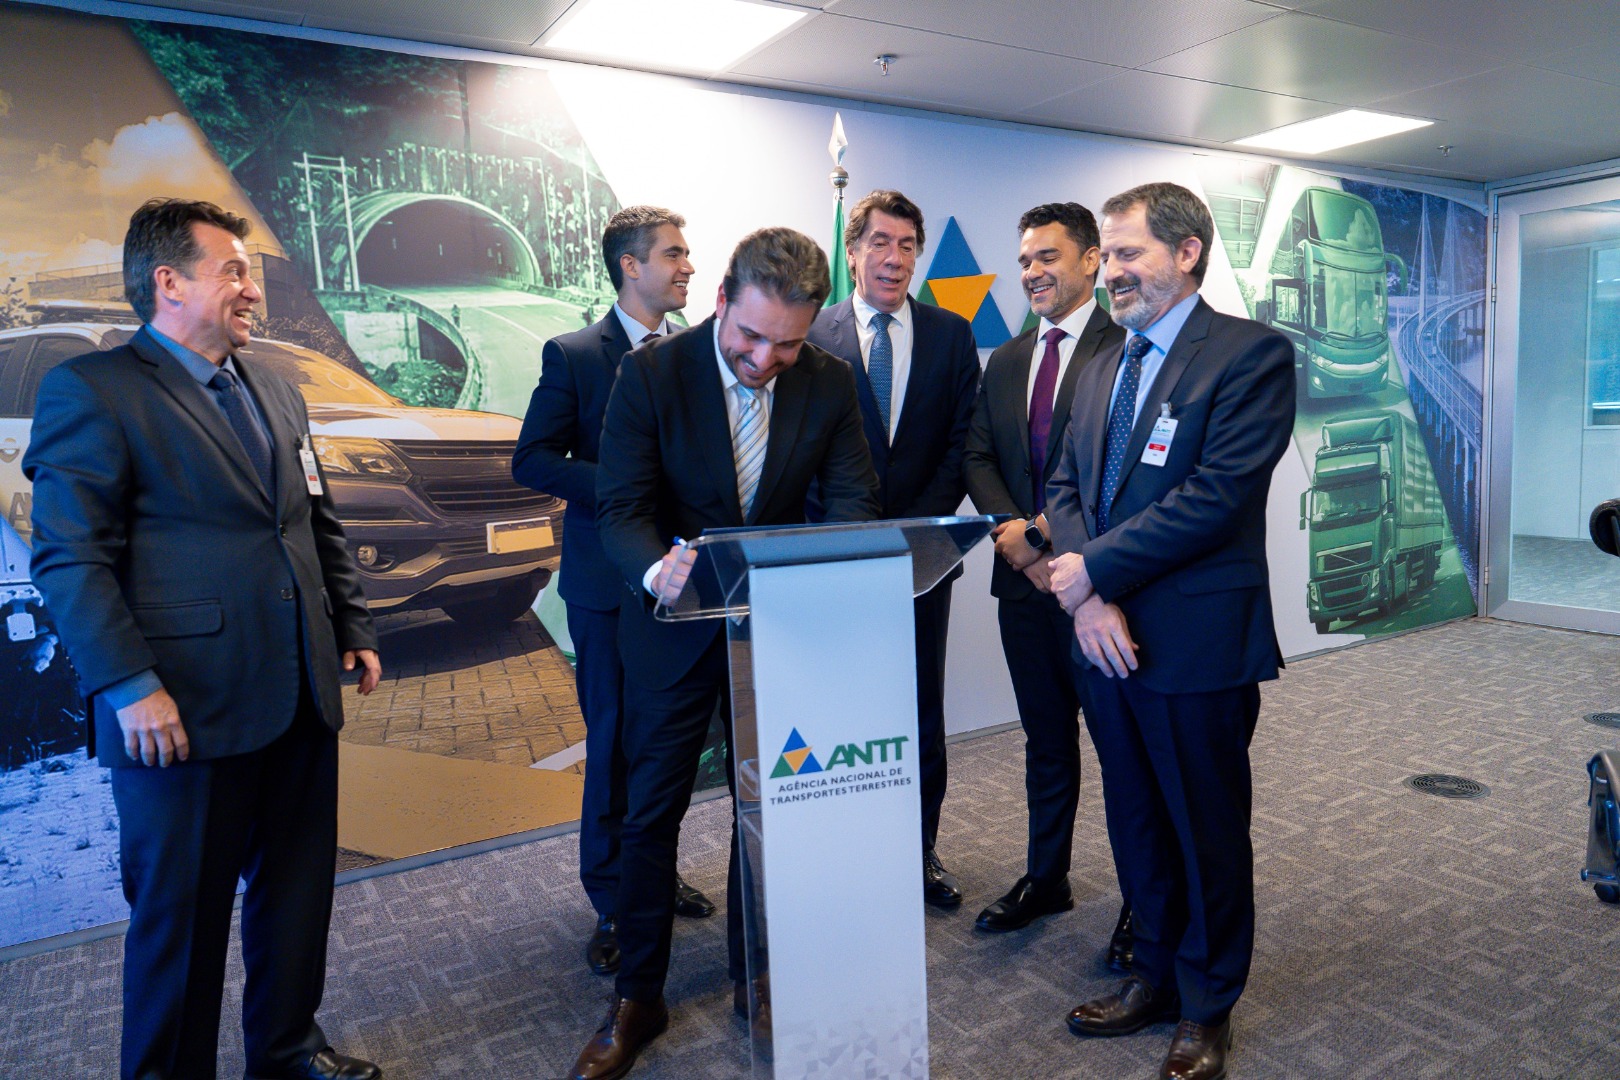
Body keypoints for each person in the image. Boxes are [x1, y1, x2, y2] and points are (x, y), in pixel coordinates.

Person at [23, 198, 383, 1080]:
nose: (252, 288)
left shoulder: (275, 388)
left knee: (296, 895)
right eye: (234, 270)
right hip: (178, 710)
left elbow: (313, 520)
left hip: (299, 691)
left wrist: (350, 622)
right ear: (169, 282)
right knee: (180, 923)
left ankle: (288, 1051)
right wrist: (127, 684)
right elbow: (69, 557)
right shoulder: (93, 390)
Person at [569, 227, 879, 1080]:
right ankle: (638, 997)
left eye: (788, 344)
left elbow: (852, 501)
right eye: (750, 336)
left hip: (773, 634)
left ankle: (759, 977)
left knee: (770, 811)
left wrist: (826, 573)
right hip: (670, 629)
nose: (765, 359)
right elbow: (621, 509)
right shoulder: (651, 374)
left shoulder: (828, 380)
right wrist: (654, 570)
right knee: (649, 816)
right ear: (719, 304)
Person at [1044, 182, 1294, 1080]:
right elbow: (1064, 486)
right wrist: (1088, 599)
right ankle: (1152, 972)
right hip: (1104, 641)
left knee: (1204, 827)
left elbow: (1215, 496)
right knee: (1137, 818)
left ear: (1187, 253)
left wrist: (1094, 572)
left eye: (1127, 252)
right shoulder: (1101, 364)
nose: (1109, 271)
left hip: (1195, 642)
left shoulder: (1250, 355)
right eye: (1106, 254)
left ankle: (1206, 1004)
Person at [513, 206, 716, 980]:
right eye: (674, 254)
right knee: (613, 746)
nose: (688, 266)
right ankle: (611, 901)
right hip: (606, 587)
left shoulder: (700, 353)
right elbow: (532, 459)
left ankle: (652, 876)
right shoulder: (574, 355)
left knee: (666, 745)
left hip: (683, 585)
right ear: (631, 266)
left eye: (688, 254)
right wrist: (628, 489)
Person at [962, 203, 1131, 951]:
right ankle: (1046, 876)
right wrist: (1019, 544)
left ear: (1092, 259)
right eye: (1025, 260)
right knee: (1046, 740)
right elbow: (977, 457)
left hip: (1100, 587)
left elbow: (1113, 469)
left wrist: (1042, 539)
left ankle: (1143, 903)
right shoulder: (1006, 358)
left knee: (1124, 750)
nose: (1032, 272)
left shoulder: (1125, 347)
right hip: (1023, 589)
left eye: (1048, 257)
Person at [806, 189, 979, 908]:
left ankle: (918, 852)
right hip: (832, 560)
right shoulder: (811, 331)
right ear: (853, 253)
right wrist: (846, 532)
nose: (894, 257)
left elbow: (962, 443)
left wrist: (917, 530)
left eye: (908, 245)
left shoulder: (950, 334)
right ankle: (845, 853)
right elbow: (794, 448)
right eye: (880, 242)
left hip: (921, 562)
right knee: (838, 715)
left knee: (918, 713)